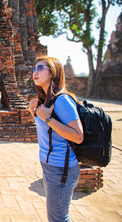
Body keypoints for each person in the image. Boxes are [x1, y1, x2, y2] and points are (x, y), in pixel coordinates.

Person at [28, 55, 83, 222]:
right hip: (50, 165)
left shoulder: (62, 100)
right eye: (33, 69)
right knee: (55, 216)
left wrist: (47, 119)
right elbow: (49, 131)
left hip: (61, 168)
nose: (35, 72)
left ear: (52, 73)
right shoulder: (46, 101)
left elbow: (78, 136)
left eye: (40, 68)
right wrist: (36, 115)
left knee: (58, 218)